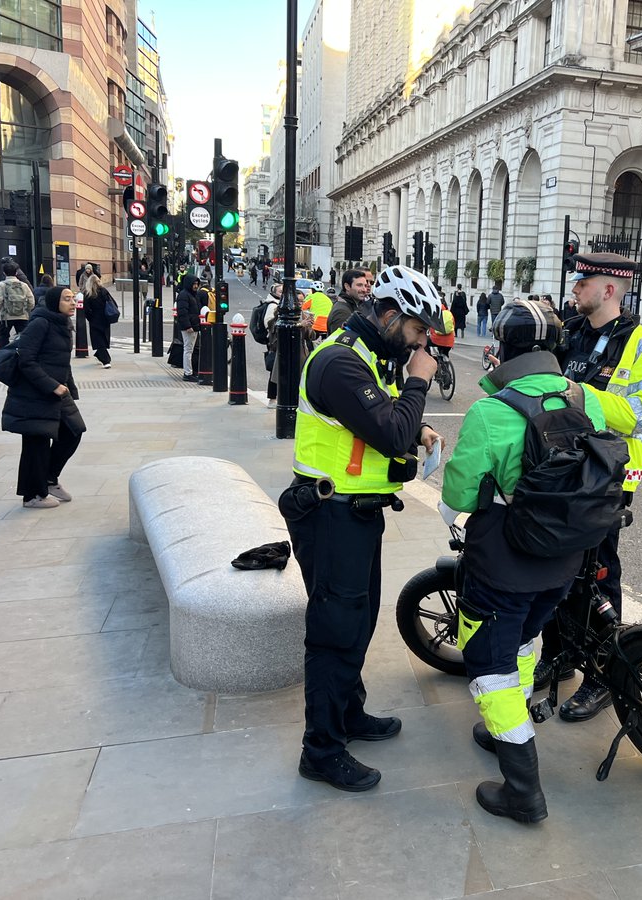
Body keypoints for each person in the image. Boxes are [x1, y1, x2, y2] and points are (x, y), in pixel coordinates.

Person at [441, 299, 606, 823]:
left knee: (489, 669)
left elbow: (462, 493)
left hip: (503, 565)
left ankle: (523, 791)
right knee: (526, 637)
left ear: (503, 349)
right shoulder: (588, 400)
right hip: (565, 561)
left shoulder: (492, 412)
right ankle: (501, 727)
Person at [283, 264, 444, 792]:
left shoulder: (369, 358)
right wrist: (418, 384)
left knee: (359, 621)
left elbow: (381, 425)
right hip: (329, 517)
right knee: (334, 633)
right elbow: (388, 430)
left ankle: (348, 715)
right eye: (419, 331)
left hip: (356, 514)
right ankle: (321, 750)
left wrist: (415, 424)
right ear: (391, 315)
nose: (423, 343)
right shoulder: (338, 363)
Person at [541, 252, 642, 722]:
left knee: (598, 572)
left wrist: (581, 394)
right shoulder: (570, 332)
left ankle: (602, 676)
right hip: (563, 468)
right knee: (555, 566)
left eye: (582, 281)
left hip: (608, 475)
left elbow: (638, 416)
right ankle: (563, 654)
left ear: (609, 288)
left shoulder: (641, 346)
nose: (574, 288)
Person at [1, 286, 86, 509]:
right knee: (36, 444)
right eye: (67, 299)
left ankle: (49, 479)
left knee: (73, 431)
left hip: (57, 392)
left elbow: (60, 361)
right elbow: (26, 361)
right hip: (34, 394)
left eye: (72, 298)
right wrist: (52, 386)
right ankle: (32, 495)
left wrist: (69, 387)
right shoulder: (40, 323)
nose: (72, 303)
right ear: (54, 302)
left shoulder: (62, 323)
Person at [0, 261, 35, 345]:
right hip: (22, 315)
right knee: (23, 337)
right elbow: (31, 301)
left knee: (3, 337)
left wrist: (0, 311)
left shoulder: (1, 285)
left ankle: (5, 355)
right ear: (16, 272)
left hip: (6, 317)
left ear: (4, 273)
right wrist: (26, 310)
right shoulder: (23, 285)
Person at [78, 274, 114, 369]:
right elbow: (112, 303)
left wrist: (90, 318)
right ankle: (103, 357)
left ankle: (105, 360)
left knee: (98, 340)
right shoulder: (104, 291)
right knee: (103, 338)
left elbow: (86, 309)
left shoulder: (88, 294)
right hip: (105, 318)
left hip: (95, 319)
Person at [326, 268, 370, 335]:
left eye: (365, 285)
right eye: (359, 285)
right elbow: (342, 341)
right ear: (347, 286)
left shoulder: (354, 305)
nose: (364, 289)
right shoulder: (342, 311)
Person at [175, 274, 201, 382]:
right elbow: (182, 312)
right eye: (194, 284)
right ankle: (187, 373)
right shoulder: (184, 295)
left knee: (191, 349)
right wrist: (188, 326)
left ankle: (191, 371)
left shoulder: (192, 295)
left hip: (194, 326)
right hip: (189, 327)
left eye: (196, 284)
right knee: (188, 349)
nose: (196, 286)